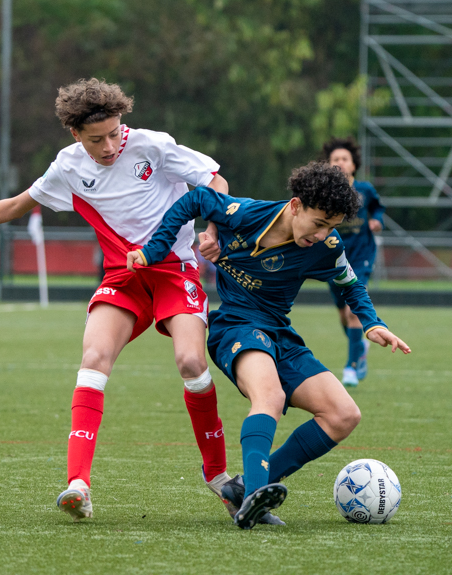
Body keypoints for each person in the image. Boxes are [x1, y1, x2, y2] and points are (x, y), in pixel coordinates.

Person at [0, 78, 236, 522]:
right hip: (123, 277)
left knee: (190, 362)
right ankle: (78, 485)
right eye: (95, 139)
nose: (108, 146)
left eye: (113, 133)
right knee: (94, 355)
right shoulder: (67, 167)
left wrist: (215, 229)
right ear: (74, 136)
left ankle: (218, 477)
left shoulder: (152, 146)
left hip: (174, 270)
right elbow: (15, 204)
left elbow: (214, 179)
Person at [127, 161, 410, 529]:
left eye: (332, 227)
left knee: (343, 415)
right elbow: (195, 199)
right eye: (319, 222)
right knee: (270, 397)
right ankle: (255, 500)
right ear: (295, 206)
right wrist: (154, 250)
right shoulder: (246, 213)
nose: (324, 234)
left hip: (280, 333)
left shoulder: (328, 245)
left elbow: (350, 283)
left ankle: (243, 489)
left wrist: (373, 323)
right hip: (237, 326)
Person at [322, 137, 384, 387]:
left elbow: (378, 208)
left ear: (353, 165)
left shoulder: (365, 190)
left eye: (344, 159)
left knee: (352, 311)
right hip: (332, 257)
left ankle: (351, 366)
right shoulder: (323, 192)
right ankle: (360, 347)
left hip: (361, 256)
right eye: (334, 159)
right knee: (342, 313)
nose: (339, 163)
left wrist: (376, 220)